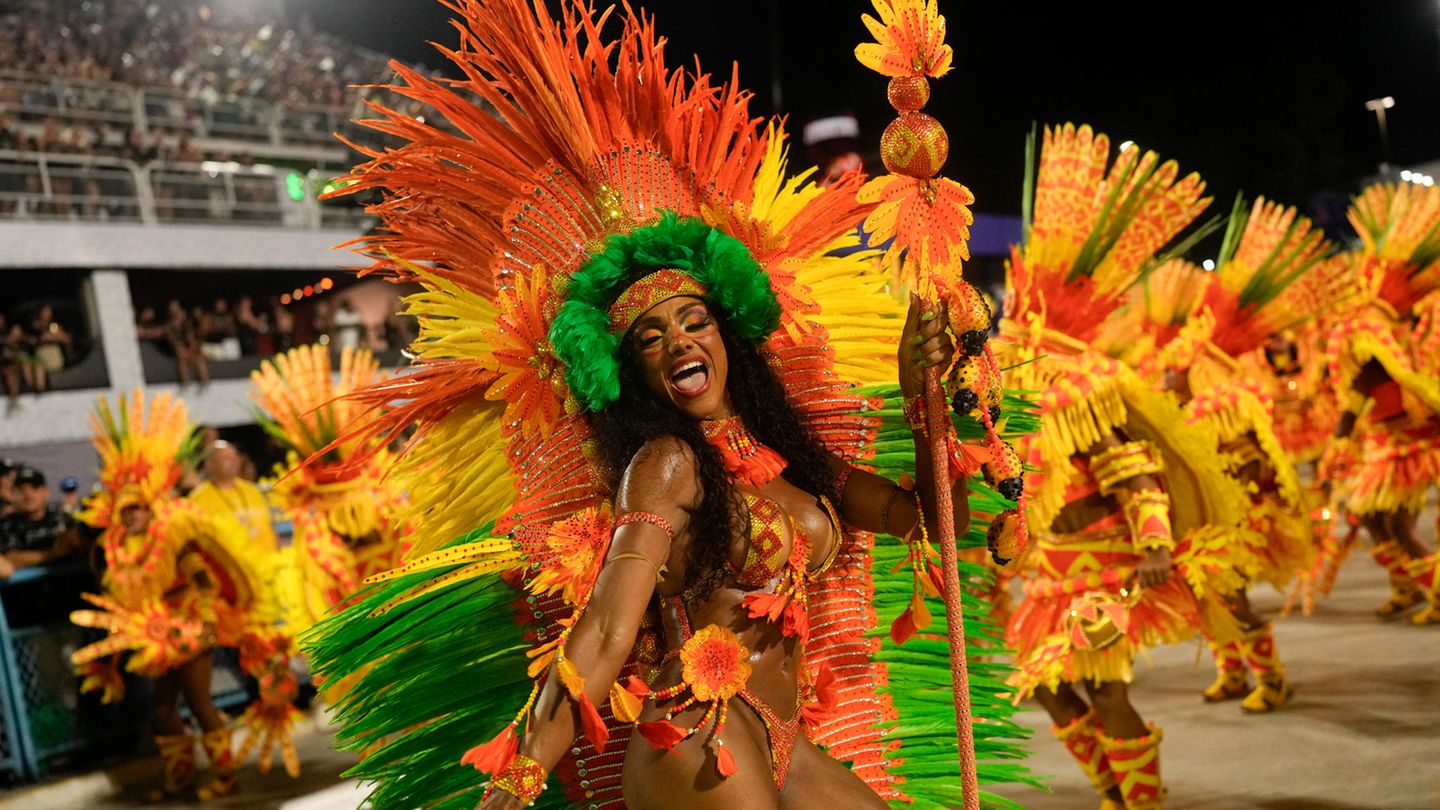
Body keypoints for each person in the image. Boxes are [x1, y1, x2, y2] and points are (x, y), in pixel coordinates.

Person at [302, 2, 1036, 808]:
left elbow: (928, 518)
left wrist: (929, 410)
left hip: (784, 738)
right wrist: (520, 771)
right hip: (697, 733)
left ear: (728, 335)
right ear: (635, 373)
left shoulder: (792, 457)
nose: (678, 343)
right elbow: (606, 630)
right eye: (649, 338)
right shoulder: (666, 464)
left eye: (693, 321)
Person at [1000, 124, 1248, 810]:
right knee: (1048, 687)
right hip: (1052, 570)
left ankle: (1139, 800)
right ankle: (1117, 784)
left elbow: (1134, 470)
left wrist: (1155, 543)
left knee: (1105, 688)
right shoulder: (1014, 401)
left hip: (1104, 565)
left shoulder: (1081, 391)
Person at [68, 391, 303, 801]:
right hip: (156, 635)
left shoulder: (175, 539)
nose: (131, 516)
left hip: (190, 628)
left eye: (137, 509)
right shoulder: (122, 551)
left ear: (151, 509)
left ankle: (225, 775)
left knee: (199, 702)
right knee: (161, 708)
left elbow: (206, 582)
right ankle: (180, 777)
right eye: (125, 511)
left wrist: (208, 620)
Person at [188, 441, 278, 553]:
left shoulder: (252, 490)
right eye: (226, 458)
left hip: (267, 558)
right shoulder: (198, 498)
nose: (234, 461)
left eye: (235, 457)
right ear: (209, 463)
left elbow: (271, 527)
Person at [0, 467, 82, 578]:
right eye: (21, 489)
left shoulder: (65, 517)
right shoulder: (6, 525)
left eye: (34, 487)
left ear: (46, 492)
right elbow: (9, 559)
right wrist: (54, 553)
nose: (28, 494)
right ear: (13, 494)